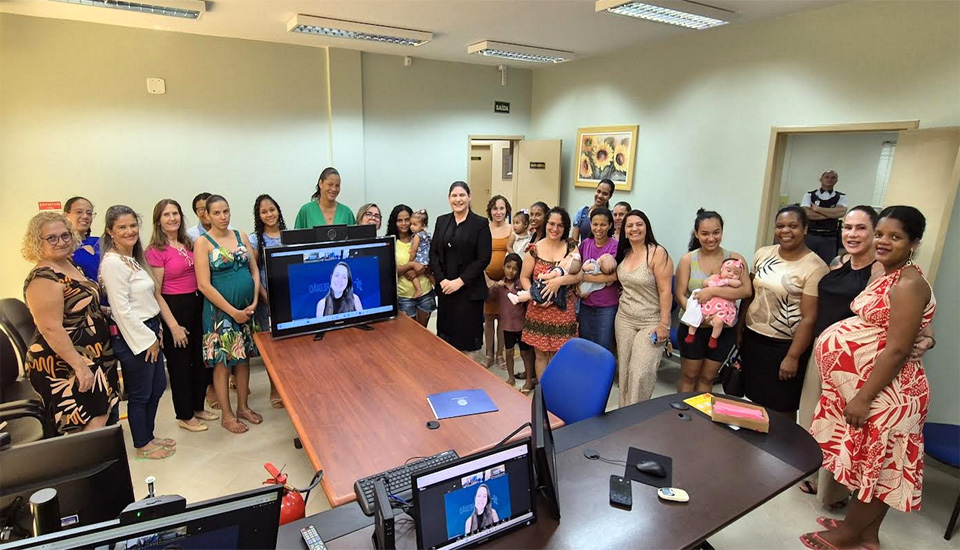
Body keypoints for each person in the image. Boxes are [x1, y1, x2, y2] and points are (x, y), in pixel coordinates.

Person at [802, 206, 936, 550]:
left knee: (882, 468)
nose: (883, 241)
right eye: (881, 234)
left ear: (913, 242)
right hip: (879, 391)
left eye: (896, 236)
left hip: (890, 395)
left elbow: (896, 350)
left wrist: (863, 397)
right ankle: (866, 534)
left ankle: (848, 535)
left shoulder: (909, 283)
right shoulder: (889, 274)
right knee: (872, 465)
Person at [21, 212, 119, 434]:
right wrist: (80, 367)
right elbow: (50, 327)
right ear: (38, 242)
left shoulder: (71, 265)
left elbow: (82, 306)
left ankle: (102, 467)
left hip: (94, 353)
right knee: (87, 424)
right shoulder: (44, 277)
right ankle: (90, 467)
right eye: (52, 238)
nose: (61, 242)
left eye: (65, 235)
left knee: (102, 417)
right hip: (65, 361)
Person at [100, 205, 181, 459]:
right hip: (134, 335)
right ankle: (141, 443)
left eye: (133, 225)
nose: (129, 231)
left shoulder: (132, 259)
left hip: (150, 328)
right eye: (122, 227)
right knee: (140, 393)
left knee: (156, 387)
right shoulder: (113, 263)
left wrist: (156, 331)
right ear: (110, 231)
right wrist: (147, 340)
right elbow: (121, 309)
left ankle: (149, 435)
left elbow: (146, 299)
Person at [739, 205, 828, 414]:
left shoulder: (815, 267)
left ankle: (780, 447)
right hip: (754, 338)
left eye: (793, 226)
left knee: (781, 407)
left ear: (805, 229)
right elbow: (750, 295)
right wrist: (739, 331)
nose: (785, 231)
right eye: (780, 226)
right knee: (751, 399)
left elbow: (809, 318)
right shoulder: (763, 254)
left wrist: (793, 356)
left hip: (785, 346)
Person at [146, 199, 218, 433]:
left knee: (201, 359)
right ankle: (185, 415)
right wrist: (173, 326)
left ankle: (198, 407)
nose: (172, 218)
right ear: (158, 220)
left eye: (175, 213)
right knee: (180, 365)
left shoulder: (190, 242)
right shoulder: (156, 251)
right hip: (174, 308)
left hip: (198, 303)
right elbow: (156, 292)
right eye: (166, 215)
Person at [194, 195, 262, 434]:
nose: (223, 217)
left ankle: (243, 406)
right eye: (217, 213)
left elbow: (253, 271)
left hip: (246, 310)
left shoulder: (241, 236)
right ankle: (227, 414)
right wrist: (233, 311)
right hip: (220, 314)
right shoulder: (203, 243)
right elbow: (204, 285)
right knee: (223, 363)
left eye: (226, 211)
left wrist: (253, 301)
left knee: (243, 360)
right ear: (207, 215)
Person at [675, 209, 751, 393]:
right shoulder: (688, 259)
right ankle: (681, 417)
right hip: (694, 328)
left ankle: (701, 418)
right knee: (689, 376)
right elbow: (679, 295)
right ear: (696, 234)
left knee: (708, 378)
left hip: (723, 329)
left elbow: (746, 290)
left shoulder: (735, 259)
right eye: (705, 233)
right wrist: (698, 317)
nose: (711, 238)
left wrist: (713, 291)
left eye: (716, 232)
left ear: (722, 232)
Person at [614, 210, 674, 407]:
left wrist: (664, 324)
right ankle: (624, 414)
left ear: (646, 226)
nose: (634, 229)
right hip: (624, 319)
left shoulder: (657, 253)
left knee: (640, 372)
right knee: (624, 371)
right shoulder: (625, 253)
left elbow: (666, 291)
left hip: (651, 321)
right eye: (629, 225)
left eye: (639, 224)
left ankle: (635, 419)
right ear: (624, 231)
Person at [430, 182, 492, 359]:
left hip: (469, 292)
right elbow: (433, 253)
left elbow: (483, 258)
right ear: (449, 198)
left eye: (462, 195)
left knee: (467, 340)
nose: (458, 199)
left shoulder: (480, 224)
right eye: (454, 196)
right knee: (447, 340)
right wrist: (442, 280)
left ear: (469, 197)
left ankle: (469, 381)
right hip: (446, 290)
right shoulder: (442, 221)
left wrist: (460, 281)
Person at [520, 207, 581, 379]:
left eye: (560, 225)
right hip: (539, 310)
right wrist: (534, 296)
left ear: (566, 227)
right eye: (551, 224)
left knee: (559, 355)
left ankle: (557, 394)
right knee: (540, 355)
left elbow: (579, 274)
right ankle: (543, 395)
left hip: (563, 310)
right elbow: (524, 277)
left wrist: (558, 281)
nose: (555, 229)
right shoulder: (534, 249)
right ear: (545, 224)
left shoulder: (571, 246)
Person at [249, 194, 286, 408]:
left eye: (272, 209)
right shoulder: (255, 240)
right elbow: (253, 272)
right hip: (267, 301)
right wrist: (265, 297)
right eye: (264, 212)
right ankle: (275, 387)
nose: (269, 214)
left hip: (290, 299)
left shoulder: (289, 235)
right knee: (273, 347)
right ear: (259, 216)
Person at [486, 253, 533, 389]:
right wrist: (494, 286)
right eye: (508, 267)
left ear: (519, 271)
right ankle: (511, 377)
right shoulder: (500, 286)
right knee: (509, 352)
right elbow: (488, 298)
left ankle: (529, 379)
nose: (511, 271)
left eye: (515, 269)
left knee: (525, 353)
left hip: (521, 326)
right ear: (503, 267)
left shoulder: (521, 286)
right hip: (506, 327)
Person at [577, 207, 619, 352]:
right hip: (585, 304)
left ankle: (603, 375)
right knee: (584, 345)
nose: (599, 228)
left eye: (603, 224)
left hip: (606, 306)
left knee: (603, 347)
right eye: (595, 224)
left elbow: (614, 276)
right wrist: (577, 286)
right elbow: (576, 270)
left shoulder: (616, 247)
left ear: (610, 225)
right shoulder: (585, 244)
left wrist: (584, 277)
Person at [388, 205, 436, 328]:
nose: (404, 224)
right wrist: (411, 264)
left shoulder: (421, 238)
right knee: (410, 333)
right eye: (399, 220)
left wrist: (417, 271)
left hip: (425, 292)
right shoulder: (391, 241)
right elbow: (390, 270)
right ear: (394, 222)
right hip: (405, 295)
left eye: (407, 219)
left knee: (423, 331)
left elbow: (431, 262)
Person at [684, 258, 743, 349]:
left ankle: (713, 338)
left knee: (719, 322)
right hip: (708, 306)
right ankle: (691, 334)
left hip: (722, 309)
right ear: (721, 270)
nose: (731, 274)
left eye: (736, 273)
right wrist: (709, 283)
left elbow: (738, 283)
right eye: (728, 270)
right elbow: (704, 282)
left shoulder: (734, 282)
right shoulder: (715, 277)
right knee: (696, 317)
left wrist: (726, 281)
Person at [483, 196, 514, 368]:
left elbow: (515, 257)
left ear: (507, 210)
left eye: (502, 208)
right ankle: (489, 354)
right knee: (488, 319)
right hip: (487, 281)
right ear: (490, 211)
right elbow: (478, 256)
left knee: (503, 320)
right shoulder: (484, 229)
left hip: (506, 282)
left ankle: (500, 355)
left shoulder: (512, 230)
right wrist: (487, 280)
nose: (498, 212)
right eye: (495, 208)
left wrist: (505, 280)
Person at [801, 170, 848, 264]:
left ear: (836, 181)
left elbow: (841, 213)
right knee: (806, 262)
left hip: (829, 237)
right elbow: (807, 214)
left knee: (827, 264)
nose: (829, 179)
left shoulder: (841, 197)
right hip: (811, 235)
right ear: (821, 179)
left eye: (833, 177)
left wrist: (817, 209)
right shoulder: (809, 195)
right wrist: (832, 214)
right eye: (827, 177)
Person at [63, 196, 100, 282]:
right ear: (65, 215)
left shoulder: (100, 242)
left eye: (89, 213)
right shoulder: (62, 247)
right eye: (79, 212)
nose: (85, 216)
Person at [408, 209, 434, 299]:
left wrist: (410, 262)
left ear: (423, 225)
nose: (411, 227)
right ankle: (436, 285)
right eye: (411, 224)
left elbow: (414, 250)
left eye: (415, 225)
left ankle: (419, 289)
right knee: (429, 274)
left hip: (420, 259)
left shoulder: (417, 236)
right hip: (427, 258)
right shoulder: (426, 234)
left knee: (411, 274)